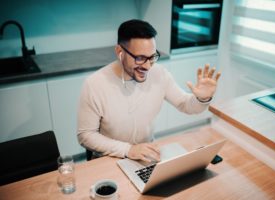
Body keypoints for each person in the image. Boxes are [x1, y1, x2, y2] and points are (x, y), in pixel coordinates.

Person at [77, 19, 221, 163]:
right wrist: (128, 150)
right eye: (140, 58)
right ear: (120, 52)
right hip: (108, 159)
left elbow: (186, 105)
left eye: (152, 57)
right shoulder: (95, 84)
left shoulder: (159, 74)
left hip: (146, 156)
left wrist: (202, 99)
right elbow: (86, 135)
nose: (147, 66)